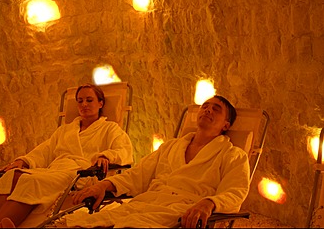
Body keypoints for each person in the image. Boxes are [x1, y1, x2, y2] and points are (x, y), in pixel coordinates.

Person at [61, 95, 250, 228]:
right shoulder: (170, 147)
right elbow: (138, 174)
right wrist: (104, 185)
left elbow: (236, 192)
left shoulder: (233, 155)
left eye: (216, 109)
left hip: (183, 210)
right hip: (147, 202)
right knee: (89, 223)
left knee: (131, 226)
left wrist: (208, 203)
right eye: (205, 106)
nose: (208, 109)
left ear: (226, 125)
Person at [0, 83, 133, 228]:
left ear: (100, 103)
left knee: (31, 182)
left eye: (89, 100)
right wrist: (23, 161)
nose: (84, 104)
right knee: (12, 176)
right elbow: (45, 151)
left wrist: (106, 156)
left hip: (80, 175)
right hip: (55, 170)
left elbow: (123, 149)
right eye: (80, 101)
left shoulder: (110, 128)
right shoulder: (65, 130)